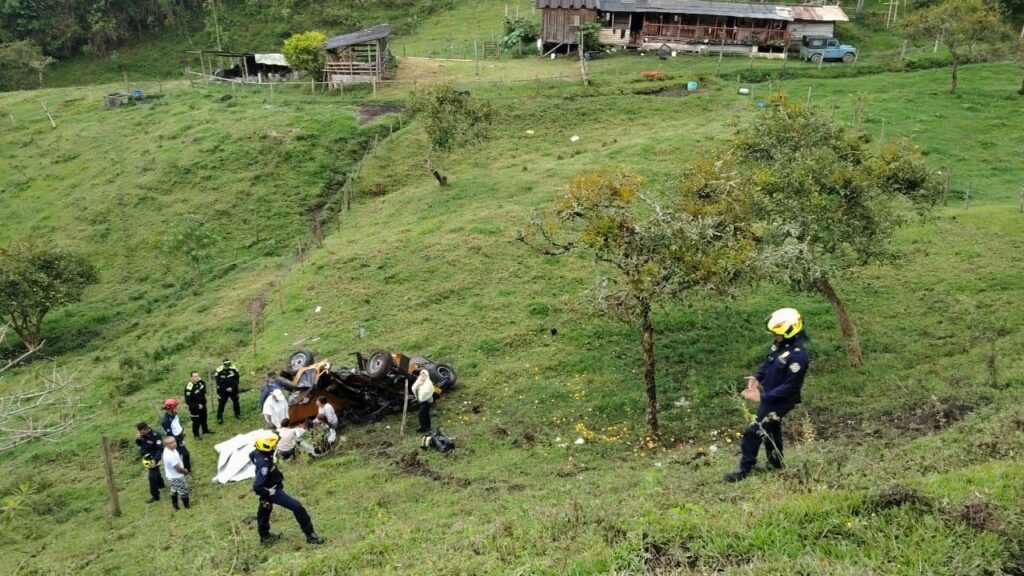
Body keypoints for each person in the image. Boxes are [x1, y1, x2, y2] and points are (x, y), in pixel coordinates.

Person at [725, 308, 810, 483]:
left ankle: (744, 468)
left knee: (754, 431)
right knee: (771, 430)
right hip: (770, 396)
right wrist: (757, 378)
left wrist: (763, 397)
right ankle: (776, 463)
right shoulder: (779, 346)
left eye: (777, 333)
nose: (774, 336)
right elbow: (768, 363)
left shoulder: (798, 357)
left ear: (789, 331)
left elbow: (791, 387)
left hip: (781, 400)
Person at [249, 431, 324, 545]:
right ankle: (311, 536)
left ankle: (265, 537)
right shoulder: (264, 465)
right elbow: (257, 487)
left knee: (264, 511)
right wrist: (268, 491)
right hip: (273, 491)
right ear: (266, 447)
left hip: (268, 488)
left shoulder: (258, 452)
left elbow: (251, 455)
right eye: (274, 445)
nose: (276, 446)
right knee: (297, 507)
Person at [135, 422, 164, 503]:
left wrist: (155, 460)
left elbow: (160, 449)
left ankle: (155, 496)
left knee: (151, 477)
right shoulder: (142, 435)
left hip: (153, 458)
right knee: (156, 472)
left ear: (146, 429)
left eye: (142, 432)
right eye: (139, 432)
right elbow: (140, 444)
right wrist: (138, 439)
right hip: (146, 457)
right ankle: (161, 484)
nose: (141, 434)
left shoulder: (155, 435)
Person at [162, 435, 191, 510]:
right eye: (171, 443)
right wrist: (185, 471)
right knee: (183, 492)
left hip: (170, 476)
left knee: (174, 490)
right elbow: (178, 469)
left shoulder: (169, 449)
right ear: (166, 445)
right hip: (177, 476)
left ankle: (175, 507)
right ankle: (187, 507)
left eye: (174, 441)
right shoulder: (170, 456)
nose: (174, 444)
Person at [184, 371, 213, 440]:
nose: (197, 377)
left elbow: (203, 389)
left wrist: (205, 397)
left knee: (204, 418)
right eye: (195, 376)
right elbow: (188, 401)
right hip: (195, 408)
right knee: (196, 422)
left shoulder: (201, 382)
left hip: (203, 405)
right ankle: (196, 435)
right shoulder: (189, 388)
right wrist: (197, 405)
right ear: (191, 378)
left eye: (198, 376)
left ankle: (205, 430)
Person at [215, 359, 242, 425]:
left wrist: (232, 387)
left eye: (228, 365)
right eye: (225, 365)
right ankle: (219, 417)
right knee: (221, 404)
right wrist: (226, 388)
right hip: (223, 390)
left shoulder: (234, 369)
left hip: (233, 389)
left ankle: (237, 414)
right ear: (223, 364)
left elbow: (237, 379)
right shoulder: (219, 371)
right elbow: (218, 382)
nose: (227, 366)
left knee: (236, 401)